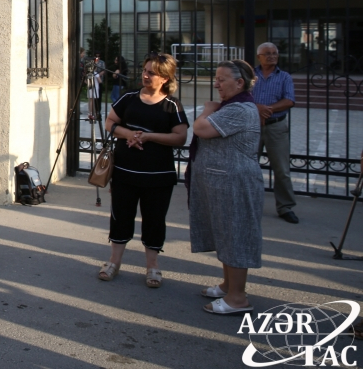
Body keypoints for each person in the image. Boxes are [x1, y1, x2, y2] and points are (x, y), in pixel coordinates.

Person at [99, 53, 188, 287]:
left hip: (158, 175)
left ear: (165, 78)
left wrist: (148, 137)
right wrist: (129, 133)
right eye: (145, 70)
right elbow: (110, 122)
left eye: (152, 73)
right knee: (120, 216)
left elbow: (180, 137)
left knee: (154, 220)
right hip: (124, 171)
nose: (145, 75)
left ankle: (152, 266)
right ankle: (113, 262)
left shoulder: (172, 105)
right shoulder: (129, 98)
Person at [190, 60, 263, 315]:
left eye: (221, 80)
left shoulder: (240, 109)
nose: (216, 84)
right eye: (216, 79)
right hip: (223, 183)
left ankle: (237, 298)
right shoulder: (232, 106)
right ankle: (228, 285)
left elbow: (201, 128)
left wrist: (207, 110)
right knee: (225, 233)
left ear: (239, 83)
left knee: (235, 236)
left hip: (235, 183)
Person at [253, 42, 298, 223]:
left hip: (276, 126)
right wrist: (257, 108)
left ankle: (285, 207)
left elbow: (289, 100)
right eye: (267, 53)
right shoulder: (250, 75)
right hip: (253, 126)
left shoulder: (284, 77)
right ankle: (250, 204)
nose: (272, 56)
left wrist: (267, 109)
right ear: (259, 57)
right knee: (249, 167)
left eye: (274, 53)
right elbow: (241, 96)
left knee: (282, 170)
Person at [87, 52, 105, 122]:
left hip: (90, 86)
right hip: (95, 87)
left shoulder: (89, 73)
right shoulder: (95, 73)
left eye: (99, 56)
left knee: (90, 100)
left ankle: (90, 112)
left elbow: (86, 80)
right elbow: (100, 81)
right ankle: (93, 113)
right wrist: (98, 77)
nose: (97, 57)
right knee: (94, 100)